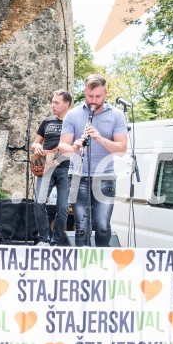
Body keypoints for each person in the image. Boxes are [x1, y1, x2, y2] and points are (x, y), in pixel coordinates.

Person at [58, 74, 128, 247]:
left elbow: (121, 149)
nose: (93, 101)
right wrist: (74, 147)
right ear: (85, 93)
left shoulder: (117, 115)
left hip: (105, 177)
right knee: (81, 227)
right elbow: (62, 146)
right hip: (77, 176)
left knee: (103, 227)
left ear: (106, 93)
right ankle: (82, 268)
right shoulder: (73, 115)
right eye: (90, 96)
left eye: (98, 96)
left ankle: (102, 266)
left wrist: (100, 139)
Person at [31, 90, 72, 245]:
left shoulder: (73, 123)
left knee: (63, 208)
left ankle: (55, 242)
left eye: (56, 102)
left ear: (66, 104)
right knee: (39, 202)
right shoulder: (47, 122)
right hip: (46, 168)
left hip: (65, 168)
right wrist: (36, 147)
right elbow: (36, 142)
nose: (52, 105)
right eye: (52, 101)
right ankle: (43, 239)